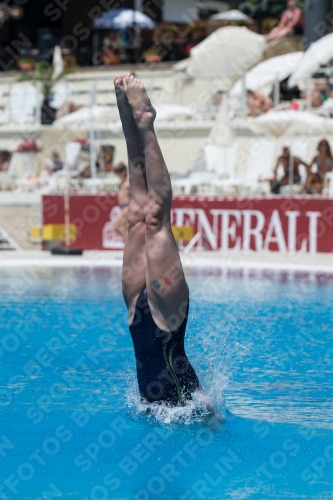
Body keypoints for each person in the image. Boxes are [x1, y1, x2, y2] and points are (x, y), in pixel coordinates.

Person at [114, 74, 200, 406]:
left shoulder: (194, 411)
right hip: (167, 317)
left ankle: (135, 119)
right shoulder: (196, 410)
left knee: (144, 214)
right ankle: (141, 121)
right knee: (150, 216)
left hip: (145, 312)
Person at [113, 162, 130, 241]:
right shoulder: (122, 183)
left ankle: (128, 247)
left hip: (127, 207)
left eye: (118, 174)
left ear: (123, 172)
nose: (118, 177)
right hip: (122, 207)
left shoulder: (129, 182)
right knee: (116, 228)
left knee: (123, 229)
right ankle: (127, 243)